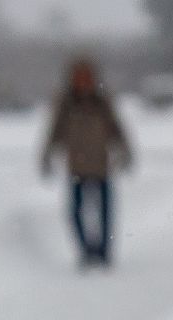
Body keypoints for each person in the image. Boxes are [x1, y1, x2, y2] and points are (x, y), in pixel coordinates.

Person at [40, 58, 132, 269]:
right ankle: (85, 251)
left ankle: (104, 252)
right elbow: (54, 131)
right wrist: (46, 156)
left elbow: (117, 128)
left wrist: (125, 151)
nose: (83, 81)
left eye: (86, 76)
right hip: (77, 167)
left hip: (101, 165)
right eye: (79, 77)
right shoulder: (66, 103)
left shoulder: (101, 101)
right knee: (75, 212)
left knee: (105, 212)